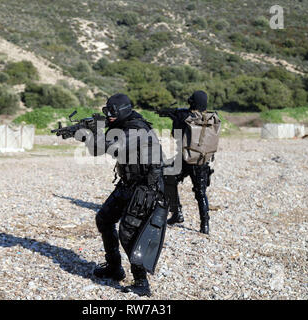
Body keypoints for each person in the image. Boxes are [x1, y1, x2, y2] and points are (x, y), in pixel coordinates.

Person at [77, 93, 167, 297]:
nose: (108, 115)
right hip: (129, 183)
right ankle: (114, 267)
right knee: (104, 219)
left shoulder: (137, 128)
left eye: (112, 112)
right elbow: (97, 150)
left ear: (123, 111)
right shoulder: (121, 126)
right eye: (106, 111)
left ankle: (141, 282)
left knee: (128, 232)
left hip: (146, 188)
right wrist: (86, 134)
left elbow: (114, 147)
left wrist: (95, 133)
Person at [163, 90, 215, 234]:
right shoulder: (211, 118)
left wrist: (176, 120)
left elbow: (176, 135)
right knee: (201, 193)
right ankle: (205, 225)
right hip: (202, 160)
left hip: (185, 159)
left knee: (169, 179)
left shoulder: (185, 116)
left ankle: (177, 213)